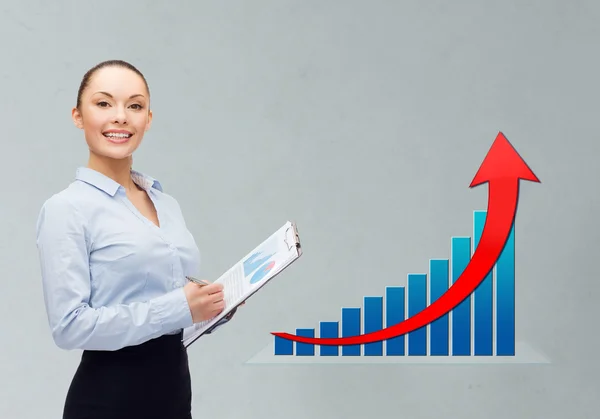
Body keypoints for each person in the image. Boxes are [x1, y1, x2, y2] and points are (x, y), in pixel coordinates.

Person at [35, 59, 237, 419]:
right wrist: (179, 307)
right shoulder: (66, 208)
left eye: (135, 105)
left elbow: (167, 304)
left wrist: (212, 305)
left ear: (149, 119)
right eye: (103, 103)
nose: (121, 116)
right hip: (108, 401)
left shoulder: (166, 202)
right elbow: (69, 327)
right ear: (78, 116)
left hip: (174, 394)